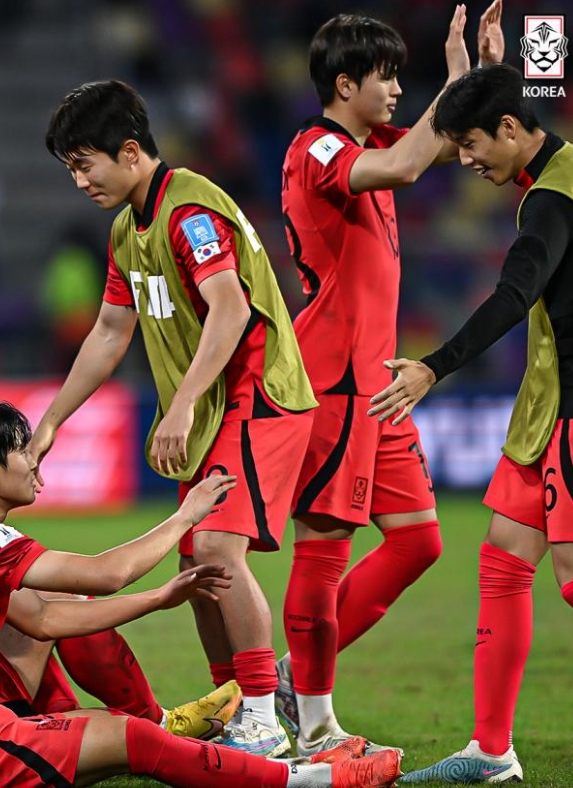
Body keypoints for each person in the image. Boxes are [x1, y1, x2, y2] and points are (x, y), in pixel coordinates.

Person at [0, 398, 401, 788]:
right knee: (133, 739)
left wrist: (159, 598)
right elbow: (106, 572)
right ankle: (315, 779)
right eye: (21, 450)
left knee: (115, 722)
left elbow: (43, 619)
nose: (33, 461)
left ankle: (176, 727)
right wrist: (186, 517)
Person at [32, 79, 318, 757]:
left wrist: (183, 404)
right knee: (197, 562)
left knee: (217, 550)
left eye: (83, 163)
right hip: (218, 404)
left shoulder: (189, 210)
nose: (78, 181)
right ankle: (234, 706)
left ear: (129, 152)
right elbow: (108, 331)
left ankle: (261, 714)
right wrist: (51, 422)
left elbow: (231, 309)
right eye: (70, 168)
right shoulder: (129, 229)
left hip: (257, 396)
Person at [276, 1, 504, 758]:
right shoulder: (317, 149)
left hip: (380, 381)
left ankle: (291, 675)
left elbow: (446, 145)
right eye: (387, 77)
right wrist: (452, 80)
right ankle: (313, 723)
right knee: (325, 548)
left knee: (418, 542)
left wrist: (473, 81)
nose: (399, 90)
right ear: (345, 84)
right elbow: (410, 163)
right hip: (335, 380)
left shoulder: (368, 140)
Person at [369, 62, 571, 784]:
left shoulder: (551, 203)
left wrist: (434, 365)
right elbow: (542, 99)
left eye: (470, 144)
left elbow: (514, 296)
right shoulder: (552, 165)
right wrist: (499, 64)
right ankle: (491, 752)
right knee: (504, 562)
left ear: (511, 130)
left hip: (571, 413)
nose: (463, 160)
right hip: (544, 412)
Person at [0, 592, 244, 740]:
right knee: (58, 605)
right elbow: (107, 573)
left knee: (19, 609)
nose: (39, 487)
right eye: (33, 484)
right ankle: (157, 723)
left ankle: (60, 720)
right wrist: (183, 519)